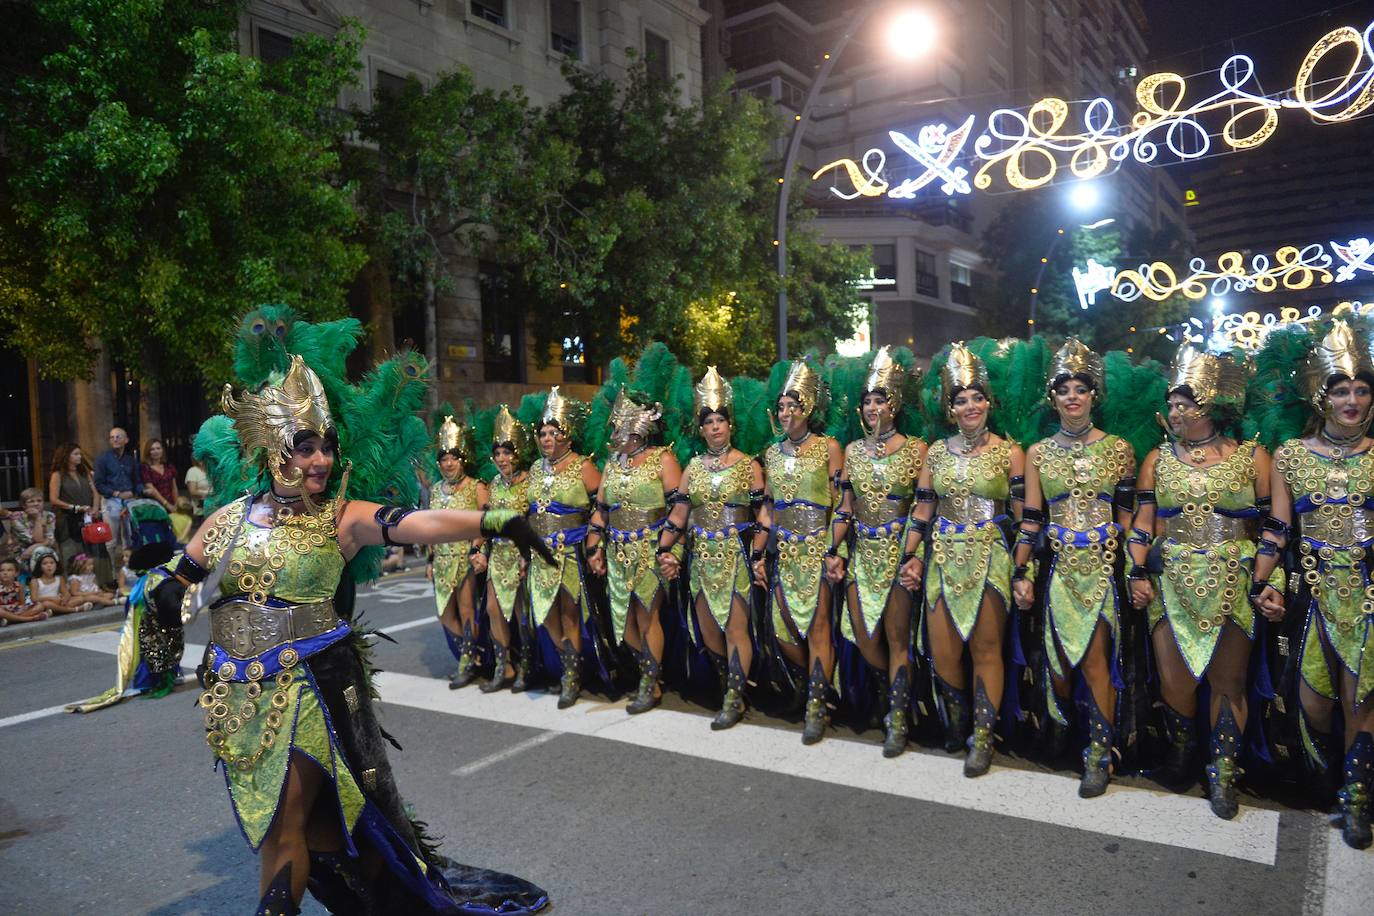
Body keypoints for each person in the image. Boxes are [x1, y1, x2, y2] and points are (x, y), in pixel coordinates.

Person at [148, 344, 551, 914]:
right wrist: (165, 591)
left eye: (327, 447)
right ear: (272, 449)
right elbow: (178, 573)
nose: (320, 460)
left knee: (283, 823)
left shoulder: (343, 517)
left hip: (310, 688)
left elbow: (415, 522)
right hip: (237, 700)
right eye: (304, 447)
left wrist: (494, 519)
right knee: (303, 828)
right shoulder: (230, 519)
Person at [1251, 319, 1374, 850]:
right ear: (1322, 397)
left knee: (1361, 699)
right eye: (1341, 390)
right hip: (1313, 592)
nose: (1352, 399)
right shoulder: (1291, 456)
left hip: (1368, 594)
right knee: (1316, 702)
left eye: (1362, 389)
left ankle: (1358, 798)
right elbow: (1277, 529)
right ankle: (1327, 779)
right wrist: (1263, 581)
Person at [1015, 339, 1137, 797]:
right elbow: (1032, 518)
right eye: (1063, 389)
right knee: (1061, 667)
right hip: (1058, 570)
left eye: (1080, 388)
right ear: (1054, 398)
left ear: (1093, 395)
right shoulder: (1037, 453)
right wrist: (1022, 572)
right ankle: (1067, 732)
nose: (1072, 396)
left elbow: (1128, 517)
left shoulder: (1119, 449)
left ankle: (1100, 754)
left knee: (1095, 662)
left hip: (1104, 571)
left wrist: (1132, 568)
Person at [900, 343, 1025, 777]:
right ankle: (957, 721)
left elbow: (1026, 517)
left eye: (977, 397)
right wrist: (911, 556)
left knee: (986, 649)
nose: (970, 406)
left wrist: (1025, 566)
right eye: (960, 399)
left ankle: (984, 736)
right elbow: (922, 509)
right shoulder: (936, 452)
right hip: (942, 555)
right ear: (950, 408)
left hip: (988, 554)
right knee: (944, 650)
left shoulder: (1011, 452)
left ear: (989, 402)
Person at [828, 347, 927, 757]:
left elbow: (923, 507)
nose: (873, 407)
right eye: (867, 400)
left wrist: (914, 555)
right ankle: (889, 694)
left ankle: (898, 717)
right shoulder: (852, 452)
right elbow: (844, 508)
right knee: (866, 637)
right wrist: (834, 550)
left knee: (897, 637)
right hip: (862, 555)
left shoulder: (917, 449)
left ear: (895, 403)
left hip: (899, 553)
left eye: (880, 399)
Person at [658, 368, 764, 729]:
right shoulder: (692, 468)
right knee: (708, 631)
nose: (715, 427)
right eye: (709, 422)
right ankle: (729, 687)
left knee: (736, 629)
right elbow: (680, 515)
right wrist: (665, 549)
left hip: (735, 557)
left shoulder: (749, 465)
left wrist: (760, 553)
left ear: (730, 425)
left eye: (721, 420)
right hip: (702, 558)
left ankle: (734, 698)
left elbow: (764, 512)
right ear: (700, 429)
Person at [753, 359, 845, 744]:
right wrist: (758, 554)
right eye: (781, 407)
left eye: (793, 405)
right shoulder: (771, 454)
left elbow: (841, 504)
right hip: (785, 552)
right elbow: (769, 509)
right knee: (785, 630)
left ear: (808, 408)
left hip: (818, 549)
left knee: (818, 627)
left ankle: (816, 704)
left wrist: (834, 549)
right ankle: (811, 685)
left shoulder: (829, 447)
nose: (786, 413)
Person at [586, 389, 684, 715]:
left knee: (647, 616)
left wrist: (670, 549)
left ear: (637, 428)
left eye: (619, 428)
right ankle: (649, 672)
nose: (614, 434)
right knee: (622, 620)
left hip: (650, 548)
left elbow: (678, 508)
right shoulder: (612, 464)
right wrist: (593, 547)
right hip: (617, 551)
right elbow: (601, 508)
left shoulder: (663, 459)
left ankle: (650, 683)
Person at [526, 387, 604, 708]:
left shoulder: (583, 466)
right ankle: (569, 662)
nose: (546, 438)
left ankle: (571, 676)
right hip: (539, 553)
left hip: (570, 552)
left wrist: (593, 541)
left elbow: (603, 503)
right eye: (543, 433)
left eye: (553, 432)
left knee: (570, 615)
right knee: (545, 614)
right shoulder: (534, 469)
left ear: (567, 435)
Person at [426, 416, 489, 689]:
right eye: (443, 459)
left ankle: (467, 662)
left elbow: (485, 522)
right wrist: (430, 558)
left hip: (465, 557)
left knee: (467, 611)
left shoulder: (477, 487)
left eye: (453, 457)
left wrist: (477, 549)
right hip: (441, 559)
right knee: (443, 614)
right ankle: (472, 654)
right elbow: (429, 526)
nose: (448, 463)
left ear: (463, 459)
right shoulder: (434, 490)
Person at [480, 406, 532, 693]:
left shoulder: (530, 482)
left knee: (522, 613)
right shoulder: (493, 485)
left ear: (518, 453)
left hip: (522, 555)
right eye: (498, 453)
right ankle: (504, 665)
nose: (502, 459)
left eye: (507, 452)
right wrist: (483, 552)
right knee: (493, 608)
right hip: (498, 555)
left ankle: (525, 665)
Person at [48, 442, 101, 571]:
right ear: (66, 456)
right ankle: (72, 581)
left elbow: (95, 492)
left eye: (80, 454)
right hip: (67, 518)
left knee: (92, 551)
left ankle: (92, 582)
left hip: (87, 517)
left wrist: (95, 508)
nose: (79, 457)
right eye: (76, 454)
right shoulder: (57, 475)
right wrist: (74, 507)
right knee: (70, 552)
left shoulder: (84, 472)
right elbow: (53, 499)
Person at [94, 427, 140, 570]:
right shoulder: (102, 459)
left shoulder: (130, 460)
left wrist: (134, 493)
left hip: (129, 501)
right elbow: (99, 483)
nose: (114, 439)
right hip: (111, 500)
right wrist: (116, 494)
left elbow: (137, 481)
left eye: (118, 436)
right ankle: (112, 573)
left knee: (129, 538)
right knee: (111, 541)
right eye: (112, 437)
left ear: (126, 440)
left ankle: (129, 570)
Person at [10, 487, 57, 575]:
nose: (36, 504)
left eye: (39, 501)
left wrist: (38, 518)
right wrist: (38, 520)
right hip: (21, 556)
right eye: (31, 501)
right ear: (24, 505)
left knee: (46, 555)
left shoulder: (50, 516)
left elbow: (50, 539)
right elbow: (33, 540)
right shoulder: (16, 517)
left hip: (43, 553)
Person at [1, 558, 50, 624]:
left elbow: (22, 603)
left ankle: (11, 620)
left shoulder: (19, 585)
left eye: (9, 570)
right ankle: (29, 618)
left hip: (16, 609)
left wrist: (24, 608)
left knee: (40, 606)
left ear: (16, 573)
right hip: (3, 610)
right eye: (2, 570)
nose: (5, 573)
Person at [141, 438, 179, 510]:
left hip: (171, 504)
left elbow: (174, 487)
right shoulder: (145, 468)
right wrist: (167, 504)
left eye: (158, 448)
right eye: (152, 449)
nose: (156, 451)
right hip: (154, 506)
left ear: (162, 450)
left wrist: (176, 504)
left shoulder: (169, 466)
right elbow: (151, 489)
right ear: (148, 452)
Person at [185, 457, 211, 524]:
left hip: (214, 507)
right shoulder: (193, 471)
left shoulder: (211, 470)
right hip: (200, 511)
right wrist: (211, 493)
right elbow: (192, 491)